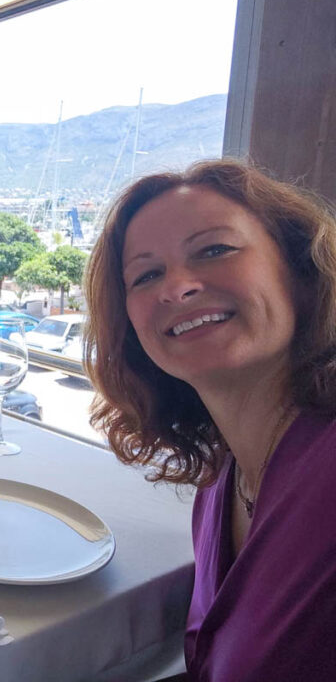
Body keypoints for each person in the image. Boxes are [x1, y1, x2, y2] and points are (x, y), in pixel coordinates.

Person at [83, 159, 336, 681]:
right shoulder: (222, 483)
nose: (177, 288)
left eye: (215, 250)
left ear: (302, 272)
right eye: (147, 274)